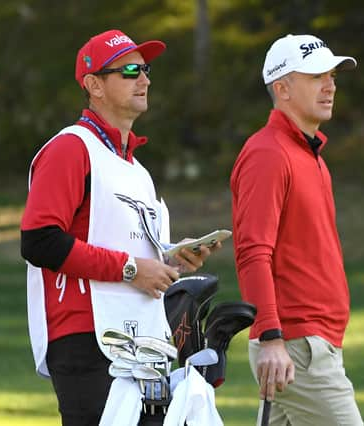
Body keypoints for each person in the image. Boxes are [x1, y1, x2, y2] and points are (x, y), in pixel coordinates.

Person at [20, 29, 219, 426]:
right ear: (93, 84)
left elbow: (119, 244)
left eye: (145, 69)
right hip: (87, 340)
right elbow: (39, 241)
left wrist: (167, 259)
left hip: (138, 340)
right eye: (129, 70)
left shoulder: (137, 169)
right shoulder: (70, 148)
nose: (144, 79)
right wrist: (131, 269)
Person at [230, 34, 364, 425]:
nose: (330, 85)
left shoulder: (309, 155)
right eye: (315, 76)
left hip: (309, 344)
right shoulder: (267, 154)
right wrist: (270, 336)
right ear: (282, 87)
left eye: (332, 75)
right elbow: (253, 250)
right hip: (295, 346)